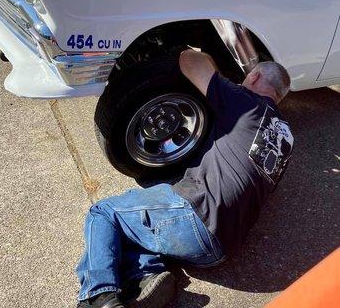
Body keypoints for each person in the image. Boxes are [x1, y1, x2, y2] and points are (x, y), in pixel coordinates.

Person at [76, 50, 294, 308]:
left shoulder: (244, 102)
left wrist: (221, 76)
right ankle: (146, 276)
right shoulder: (287, 138)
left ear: (255, 77)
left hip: (196, 221)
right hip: (221, 251)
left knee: (103, 213)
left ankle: (97, 296)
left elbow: (189, 60)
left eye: (248, 76)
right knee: (138, 224)